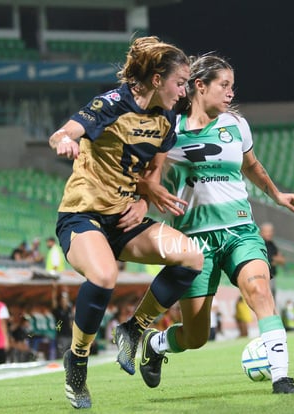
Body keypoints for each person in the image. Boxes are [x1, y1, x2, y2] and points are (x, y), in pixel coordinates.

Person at [115, 55, 294, 393]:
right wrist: (144, 197)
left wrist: (277, 194)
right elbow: (151, 177)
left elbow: (251, 165)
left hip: (240, 231)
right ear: (199, 86)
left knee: (260, 291)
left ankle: (281, 377)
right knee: (195, 336)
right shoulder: (170, 129)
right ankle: (155, 345)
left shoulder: (237, 125)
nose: (231, 93)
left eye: (233, 86)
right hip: (195, 244)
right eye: (225, 85)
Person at [48, 36, 203, 409]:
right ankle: (78, 361)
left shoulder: (166, 120)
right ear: (155, 79)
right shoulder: (111, 105)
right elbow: (64, 131)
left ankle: (133, 330)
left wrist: (144, 196)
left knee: (191, 257)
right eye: (180, 82)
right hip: (82, 216)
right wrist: (65, 142)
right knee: (103, 277)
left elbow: (153, 170)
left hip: (123, 217)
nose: (184, 91)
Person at [260, 222, 286, 301]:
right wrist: (275, 259)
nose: (270, 233)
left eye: (271, 231)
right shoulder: (260, 243)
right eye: (267, 231)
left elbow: (282, 260)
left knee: (272, 300)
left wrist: (275, 259)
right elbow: (266, 259)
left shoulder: (272, 244)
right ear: (261, 232)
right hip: (262, 277)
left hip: (272, 276)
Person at [52, 283, 74, 359]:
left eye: (65, 299)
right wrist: (54, 290)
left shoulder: (69, 310)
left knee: (70, 353)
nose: (64, 301)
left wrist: (66, 291)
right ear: (60, 301)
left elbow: (71, 321)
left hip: (70, 335)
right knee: (61, 354)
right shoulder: (58, 310)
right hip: (61, 335)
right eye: (63, 300)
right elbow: (54, 301)